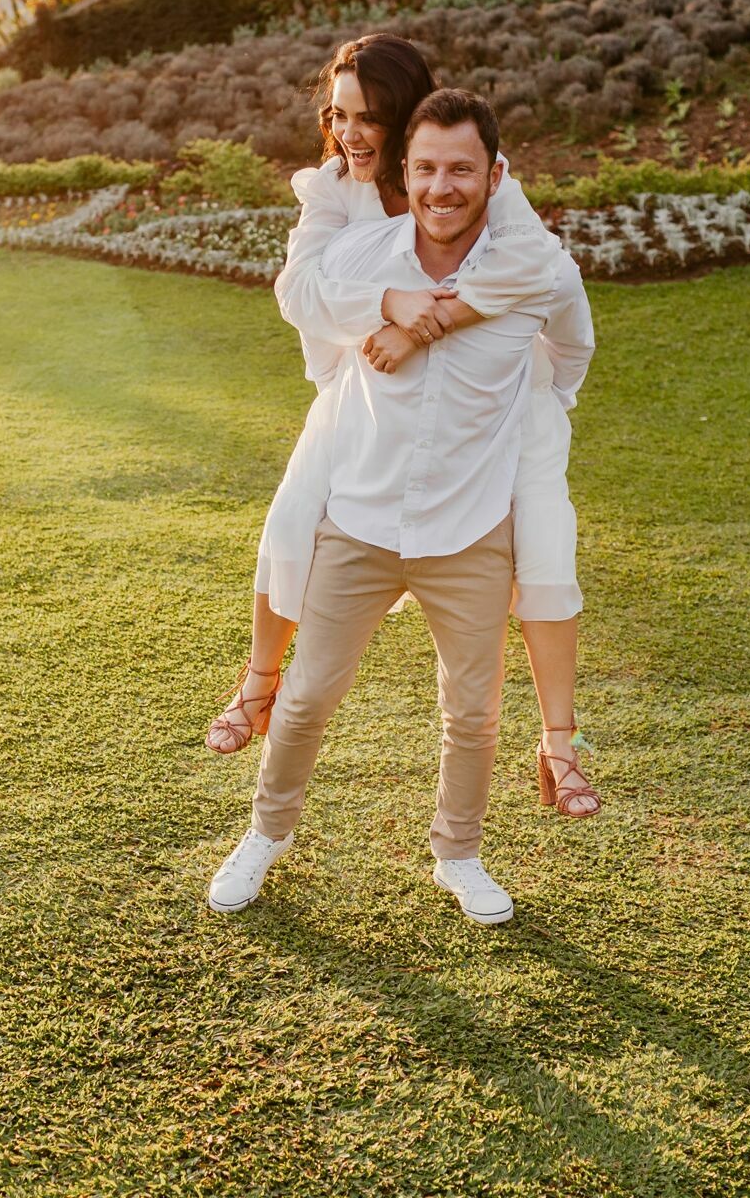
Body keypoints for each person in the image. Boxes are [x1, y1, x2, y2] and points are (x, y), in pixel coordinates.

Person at [207, 89, 597, 925]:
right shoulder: (362, 260)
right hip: (362, 521)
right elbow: (299, 294)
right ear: (404, 172)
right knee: (307, 695)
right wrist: (387, 310)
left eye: (461, 169)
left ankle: (458, 855)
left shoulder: (534, 271)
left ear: (495, 176)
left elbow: (572, 347)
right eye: (424, 168)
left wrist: (539, 406)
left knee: (474, 710)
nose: (441, 187)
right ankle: (265, 836)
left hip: (470, 530)